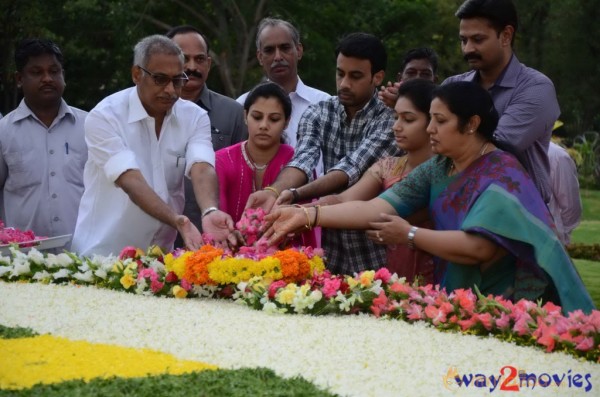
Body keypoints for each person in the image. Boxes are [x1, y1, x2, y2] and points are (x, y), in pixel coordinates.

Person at [265, 81, 594, 315]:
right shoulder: (440, 167)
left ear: (471, 124)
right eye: (431, 120)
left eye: (440, 121)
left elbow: (480, 248)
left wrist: (408, 235)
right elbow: (373, 208)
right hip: (463, 299)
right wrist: (307, 215)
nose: (431, 130)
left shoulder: (501, 173)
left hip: (511, 305)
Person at [247, 32, 398, 275]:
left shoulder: (390, 121)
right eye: (340, 74)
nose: (344, 83)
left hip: (376, 246)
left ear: (377, 77)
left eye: (355, 76)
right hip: (330, 247)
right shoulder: (319, 112)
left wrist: (294, 195)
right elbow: (303, 160)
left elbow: (350, 169)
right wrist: (274, 191)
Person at [71, 35, 234, 256]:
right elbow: (130, 180)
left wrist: (210, 211)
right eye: (160, 79)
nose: (170, 90)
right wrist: (178, 221)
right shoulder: (105, 116)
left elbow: (202, 166)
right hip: (102, 256)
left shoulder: (195, 117)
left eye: (178, 80)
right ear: (137, 74)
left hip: (160, 258)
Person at [316, 79, 436, 283]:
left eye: (408, 119)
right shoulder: (387, 166)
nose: (396, 127)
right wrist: (299, 210)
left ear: (432, 122)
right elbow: (343, 200)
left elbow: (377, 214)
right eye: (396, 117)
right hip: (393, 272)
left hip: (436, 271)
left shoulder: (444, 170)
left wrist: (308, 215)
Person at [444, 0, 559, 203]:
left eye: (478, 39)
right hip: (456, 206)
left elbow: (498, 145)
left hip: (517, 213)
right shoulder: (452, 85)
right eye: (463, 40)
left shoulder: (535, 88)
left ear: (506, 35)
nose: (468, 49)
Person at [0, 39, 87, 245]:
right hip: (21, 260)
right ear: (19, 79)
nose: (47, 78)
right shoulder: (4, 131)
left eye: (54, 71)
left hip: (83, 254)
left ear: (63, 75)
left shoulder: (90, 125)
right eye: (37, 72)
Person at [166, 25, 247, 243]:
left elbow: (244, 178)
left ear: (209, 64)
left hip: (214, 236)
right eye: (184, 58)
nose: (192, 67)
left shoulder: (233, 113)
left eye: (200, 59)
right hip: (157, 236)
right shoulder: (150, 112)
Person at [216, 81, 316, 247]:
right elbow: (219, 216)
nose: (263, 125)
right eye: (257, 117)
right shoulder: (222, 160)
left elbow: (304, 221)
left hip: (286, 259)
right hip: (228, 256)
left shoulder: (299, 162)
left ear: (286, 122)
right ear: (245, 116)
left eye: (274, 119)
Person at [237, 17, 330, 174]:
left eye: (285, 48)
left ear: (299, 50)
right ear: (260, 57)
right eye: (269, 50)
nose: (278, 57)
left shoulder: (325, 104)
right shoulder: (241, 105)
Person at [548, 141, 582, 245]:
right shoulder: (504, 150)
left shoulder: (557, 156)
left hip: (549, 242)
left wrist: (559, 235)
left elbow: (571, 207)